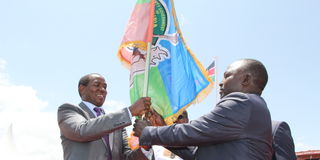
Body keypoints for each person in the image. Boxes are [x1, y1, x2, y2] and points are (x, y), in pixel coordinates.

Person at [133, 59, 273, 159]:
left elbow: (193, 131)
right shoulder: (252, 108)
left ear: (245, 80)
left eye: (227, 76)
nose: (220, 82)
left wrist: (148, 132)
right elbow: (194, 153)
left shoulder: (243, 102)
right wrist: (162, 127)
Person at [57, 73, 153, 160]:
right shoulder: (68, 110)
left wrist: (145, 146)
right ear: (82, 88)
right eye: (96, 85)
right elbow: (81, 131)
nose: (102, 90)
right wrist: (130, 111)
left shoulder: (118, 125)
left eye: (105, 87)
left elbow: (126, 157)